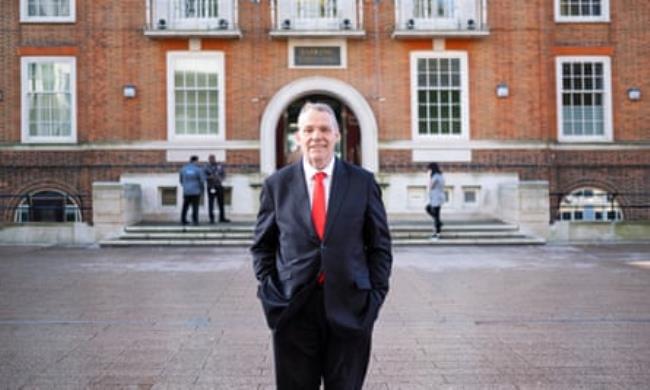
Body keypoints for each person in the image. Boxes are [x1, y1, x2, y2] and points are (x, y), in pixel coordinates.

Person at [251, 102, 393, 390]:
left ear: (337, 136)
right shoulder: (277, 184)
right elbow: (263, 247)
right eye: (309, 129)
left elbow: (379, 246)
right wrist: (272, 294)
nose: (317, 136)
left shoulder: (362, 182)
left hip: (350, 308)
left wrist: (374, 298)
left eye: (325, 129)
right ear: (299, 137)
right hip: (293, 310)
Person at [204, 154, 230, 223]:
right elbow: (204, 176)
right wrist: (210, 177)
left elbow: (223, 174)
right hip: (211, 186)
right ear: (209, 159)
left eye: (213, 158)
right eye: (211, 159)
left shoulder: (219, 166)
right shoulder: (206, 167)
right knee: (211, 203)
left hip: (219, 186)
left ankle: (222, 217)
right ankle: (211, 218)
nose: (212, 160)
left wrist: (221, 179)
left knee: (221, 202)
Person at [179, 155, 205, 225]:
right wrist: (202, 189)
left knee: (185, 206)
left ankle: (183, 220)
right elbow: (202, 181)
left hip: (186, 191)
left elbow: (181, 180)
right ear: (195, 161)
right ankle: (195, 220)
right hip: (196, 191)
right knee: (195, 206)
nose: (198, 162)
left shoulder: (183, 169)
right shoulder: (198, 169)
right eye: (197, 161)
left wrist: (185, 186)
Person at [426, 162, 445, 239]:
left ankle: (437, 233)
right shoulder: (440, 176)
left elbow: (431, 186)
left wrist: (429, 177)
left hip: (436, 198)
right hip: (438, 197)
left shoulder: (436, 176)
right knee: (433, 212)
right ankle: (439, 224)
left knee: (435, 214)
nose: (429, 171)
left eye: (429, 169)